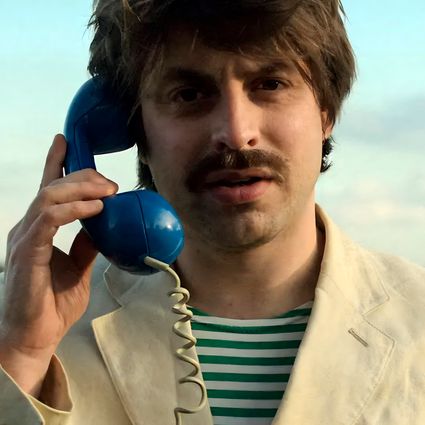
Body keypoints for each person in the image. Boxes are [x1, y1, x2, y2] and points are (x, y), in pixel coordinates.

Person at [1, 0, 425, 424]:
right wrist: (21, 358)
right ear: (136, 131)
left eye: (270, 84)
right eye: (189, 95)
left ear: (326, 112)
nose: (237, 134)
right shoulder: (25, 327)